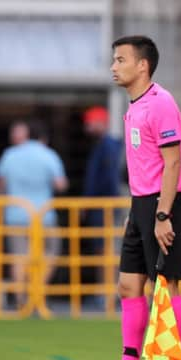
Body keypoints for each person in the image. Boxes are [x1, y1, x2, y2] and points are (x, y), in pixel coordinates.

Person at [83, 35, 181, 360]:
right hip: (142, 204)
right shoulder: (134, 105)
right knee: (128, 285)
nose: (114, 67)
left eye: (120, 60)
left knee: (166, 287)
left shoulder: (162, 103)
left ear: (142, 65)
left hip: (165, 204)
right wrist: (138, 212)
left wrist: (162, 216)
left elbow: (172, 162)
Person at [0, 119, 68, 302]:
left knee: (19, 257)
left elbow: (1, 185)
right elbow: (60, 184)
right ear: (43, 138)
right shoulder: (48, 155)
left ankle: (21, 299)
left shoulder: (10, 154)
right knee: (51, 251)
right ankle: (37, 291)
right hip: (43, 215)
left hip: (15, 213)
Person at [80, 106, 122, 304]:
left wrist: (90, 202)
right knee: (102, 249)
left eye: (90, 124)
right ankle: (104, 292)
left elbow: (108, 179)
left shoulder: (109, 146)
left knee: (108, 250)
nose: (87, 128)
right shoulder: (102, 145)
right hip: (102, 206)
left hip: (107, 206)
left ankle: (109, 293)